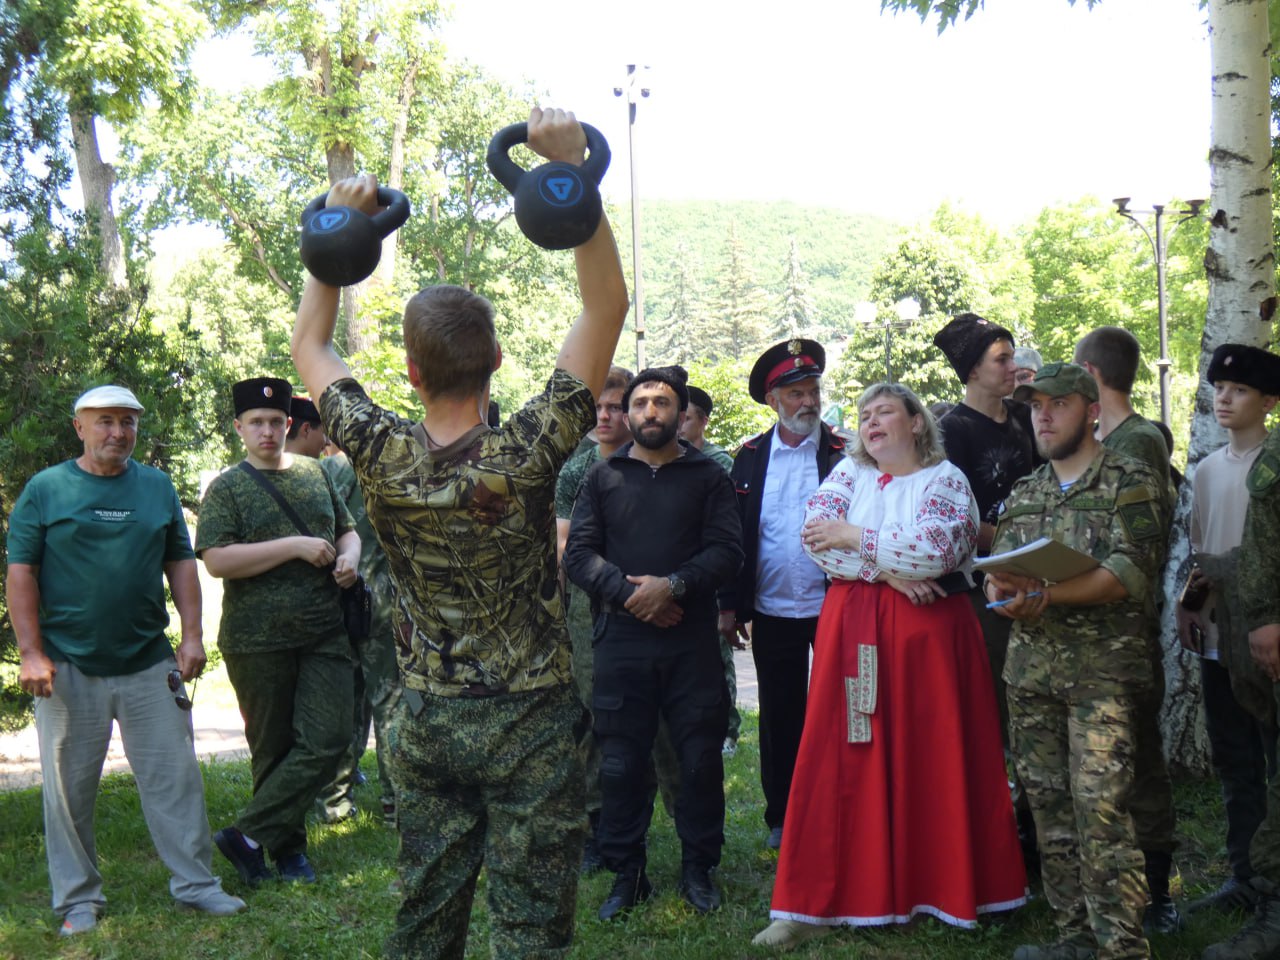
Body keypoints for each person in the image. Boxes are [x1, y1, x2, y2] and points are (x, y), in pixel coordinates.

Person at [290, 107, 630, 959]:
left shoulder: (375, 447)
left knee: (426, 915)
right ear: (500, 361)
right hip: (531, 720)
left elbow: (310, 341)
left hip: (426, 718)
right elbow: (607, 304)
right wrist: (569, 178)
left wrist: (339, 229)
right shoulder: (531, 446)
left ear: (410, 370)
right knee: (529, 925)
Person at [752, 381, 1026, 951]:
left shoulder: (946, 481)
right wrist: (888, 571)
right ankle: (815, 901)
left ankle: (937, 888)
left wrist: (856, 536)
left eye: (885, 413)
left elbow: (938, 550)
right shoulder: (847, 476)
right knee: (843, 753)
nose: (871, 423)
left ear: (917, 423)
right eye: (864, 415)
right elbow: (814, 540)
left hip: (929, 637)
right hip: (854, 628)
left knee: (930, 753)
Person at [8, 385, 245, 936]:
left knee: (176, 779)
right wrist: (31, 653)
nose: (118, 432)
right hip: (67, 667)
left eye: (128, 422)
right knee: (68, 790)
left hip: (147, 660)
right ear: (80, 428)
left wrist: (191, 635)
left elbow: (180, 562)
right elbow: (22, 572)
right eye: (105, 421)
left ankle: (197, 886)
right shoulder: (46, 489)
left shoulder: (156, 486)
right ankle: (79, 900)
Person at [986, 362, 1165, 960]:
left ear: (1090, 410)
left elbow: (1128, 573)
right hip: (1032, 676)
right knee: (1049, 809)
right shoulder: (1028, 490)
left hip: (1103, 679)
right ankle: (1076, 938)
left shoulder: (1130, 479)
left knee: (1102, 813)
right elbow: (1003, 570)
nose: (1042, 415)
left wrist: (1047, 596)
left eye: (1057, 404)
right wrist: (1000, 591)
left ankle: (1122, 947)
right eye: (1035, 405)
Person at [563, 366, 743, 919]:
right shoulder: (603, 477)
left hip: (690, 646)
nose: (647, 412)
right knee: (619, 763)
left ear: (679, 412)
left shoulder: (707, 477)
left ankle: (698, 869)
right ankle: (627, 873)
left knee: (698, 761)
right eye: (638, 403)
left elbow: (726, 550)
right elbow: (579, 555)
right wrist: (630, 595)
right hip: (621, 641)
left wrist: (674, 587)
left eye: (661, 403)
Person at [196, 377, 360, 887]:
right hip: (256, 639)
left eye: (275, 422)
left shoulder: (316, 473)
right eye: (256, 423)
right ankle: (288, 853)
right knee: (272, 748)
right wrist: (293, 545)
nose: (266, 431)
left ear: (289, 425)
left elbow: (346, 529)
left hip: (324, 630)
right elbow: (218, 560)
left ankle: (246, 834)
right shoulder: (227, 487)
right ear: (240, 428)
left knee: (331, 736)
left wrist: (350, 559)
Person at [718, 338, 846, 850]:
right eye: (795, 393)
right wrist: (729, 606)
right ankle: (783, 816)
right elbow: (731, 537)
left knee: (843, 707)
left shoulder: (845, 452)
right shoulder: (748, 459)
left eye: (813, 390)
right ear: (773, 400)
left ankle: (842, 804)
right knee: (779, 714)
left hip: (837, 604)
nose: (808, 402)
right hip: (772, 609)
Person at [1073, 326, 1179, 933]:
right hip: (1088, 628)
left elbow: (1134, 539)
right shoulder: (1098, 438)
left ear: (1090, 374)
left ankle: (1157, 891)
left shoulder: (1137, 440)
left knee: (1139, 760)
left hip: (1125, 627)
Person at [932, 312, 1041, 866]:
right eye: (1001, 359)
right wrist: (1019, 539)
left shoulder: (1027, 419)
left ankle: (1040, 830)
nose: (1013, 366)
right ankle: (1003, 838)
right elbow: (954, 515)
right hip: (985, 589)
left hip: (1042, 579)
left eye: (1012, 355)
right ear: (972, 369)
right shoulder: (950, 431)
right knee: (999, 711)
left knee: (1037, 712)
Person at [1180, 344, 1280, 917]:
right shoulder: (1209, 469)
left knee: (1274, 760)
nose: (1224, 397)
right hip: (1220, 639)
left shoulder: (1275, 465)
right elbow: (1205, 553)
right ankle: (1242, 877)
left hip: (1267, 640)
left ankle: (1272, 888)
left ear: (1268, 401)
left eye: (1239, 390)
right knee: (1236, 762)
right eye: (1219, 387)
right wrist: (1190, 605)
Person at [554, 364, 634, 874]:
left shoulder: (652, 460)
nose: (604, 416)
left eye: (613, 407)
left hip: (648, 607)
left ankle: (631, 822)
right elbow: (563, 547)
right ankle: (593, 823)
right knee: (587, 718)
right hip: (587, 611)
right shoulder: (573, 470)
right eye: (596, 408)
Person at [321, 445, 403, 827]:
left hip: (338, 599)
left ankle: (335, 801)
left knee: (343, 701)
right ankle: (395, 804)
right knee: (389, 700)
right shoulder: (393, 465)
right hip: (383, 602)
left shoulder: (324, 473)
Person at [682, 384, 742, 756]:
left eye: (686, 417)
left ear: (703, 421)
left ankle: (729, 730)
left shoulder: (721, 463)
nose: (678, 425)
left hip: (711, 574)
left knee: (720, 658)